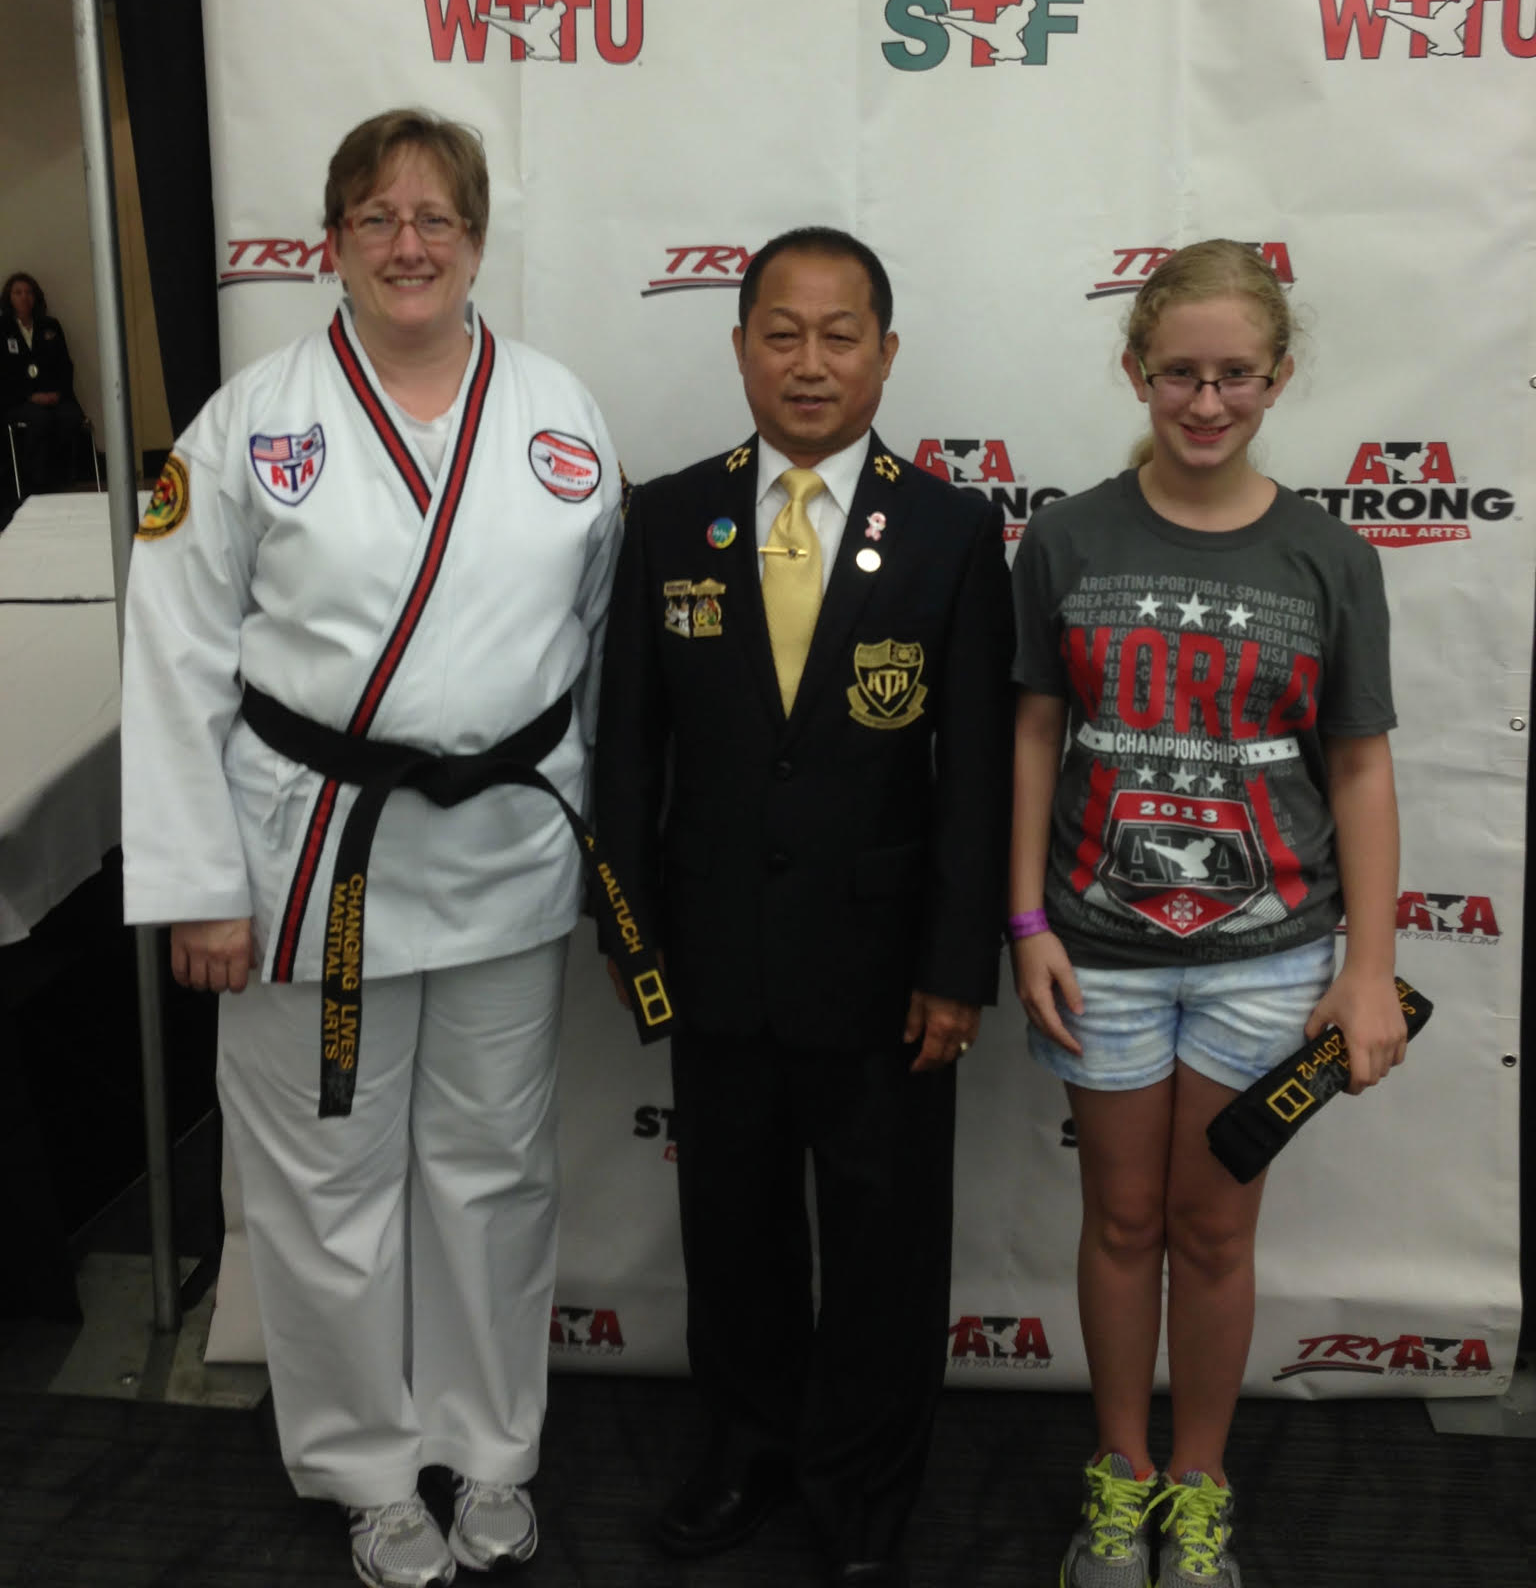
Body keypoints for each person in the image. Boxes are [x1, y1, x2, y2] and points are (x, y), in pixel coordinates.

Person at [121, 109, 622, 1588]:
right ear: (329, 241)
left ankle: (490, 1447)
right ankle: (361, 1465)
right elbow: (172, 658)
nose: (409, 244)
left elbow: (596, 660)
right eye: (375, 217)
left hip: (505, 862)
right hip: (306, 860)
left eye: (437, 218)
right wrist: (200, 884)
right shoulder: (248, 423)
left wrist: (600, 844)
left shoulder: (557, 413)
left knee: (493, 1167)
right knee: (325, 1178)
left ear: (476, 239)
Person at [594, 226, 1013, 1588]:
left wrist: (957, 967)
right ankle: (748, 1448)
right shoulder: (667, 518)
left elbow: (972, 782)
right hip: (714, 962)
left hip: (890, 973)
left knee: (886, 1244)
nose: (812, 362)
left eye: (843, 336)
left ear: (887, 354)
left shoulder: (953, 532)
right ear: (739, 349)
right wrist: (633, 933)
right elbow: (627, 752)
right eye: (783, 332)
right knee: (734, 1224)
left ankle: (865, 1479)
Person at [1009, 240, 1407, 1588]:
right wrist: (1025, 922)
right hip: (1099, 951)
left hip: (1265, 957)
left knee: (1216, 1228)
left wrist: (1371, 967)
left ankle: (1202, 1482)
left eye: (1236, 374)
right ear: (1136, 372)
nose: (1205, 400)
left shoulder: (1330, 554)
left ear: (1278, 379)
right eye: (1179, 372)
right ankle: (1118, 1482)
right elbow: (1033, 736)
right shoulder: (1066, 535)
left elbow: (1357, 765)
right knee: (1124, 1223)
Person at [1, 271, 88, 494]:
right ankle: (34, 481)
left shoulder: (50, 326)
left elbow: (64, 365)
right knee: (39, 419)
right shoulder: (3, 329)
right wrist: (30, 396)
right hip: (18, 400)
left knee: (70, 416)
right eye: (18, 292)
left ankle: (62, 475)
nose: (24, 297)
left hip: (54, 396)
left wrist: (57, 394)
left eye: (29, 292)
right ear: (9, 298)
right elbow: (5, 373)